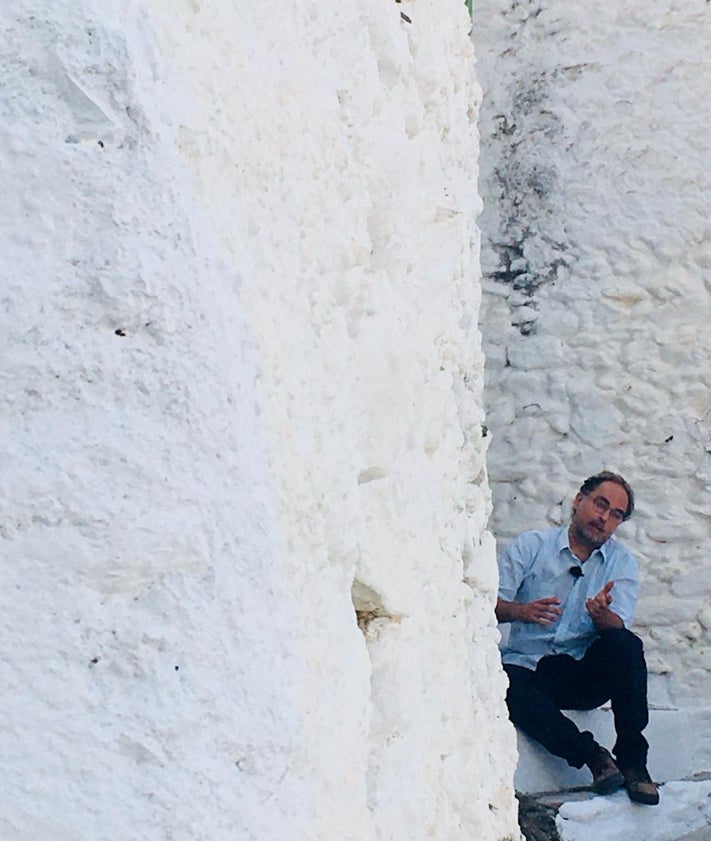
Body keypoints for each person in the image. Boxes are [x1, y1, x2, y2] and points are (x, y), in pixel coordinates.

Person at [496, 471, 659, 805]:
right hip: (529, 671)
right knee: (503, 683)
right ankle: (593, 757)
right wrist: (519, 611)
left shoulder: (621, 563)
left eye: (616, 515)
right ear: (579, 500)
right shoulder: (532, 546)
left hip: (578, 674)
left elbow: (618, 627)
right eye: (601, 504)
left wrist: (602, 617)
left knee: (626, 646)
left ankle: (633, 761)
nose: (604, 518)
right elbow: (485, 604)